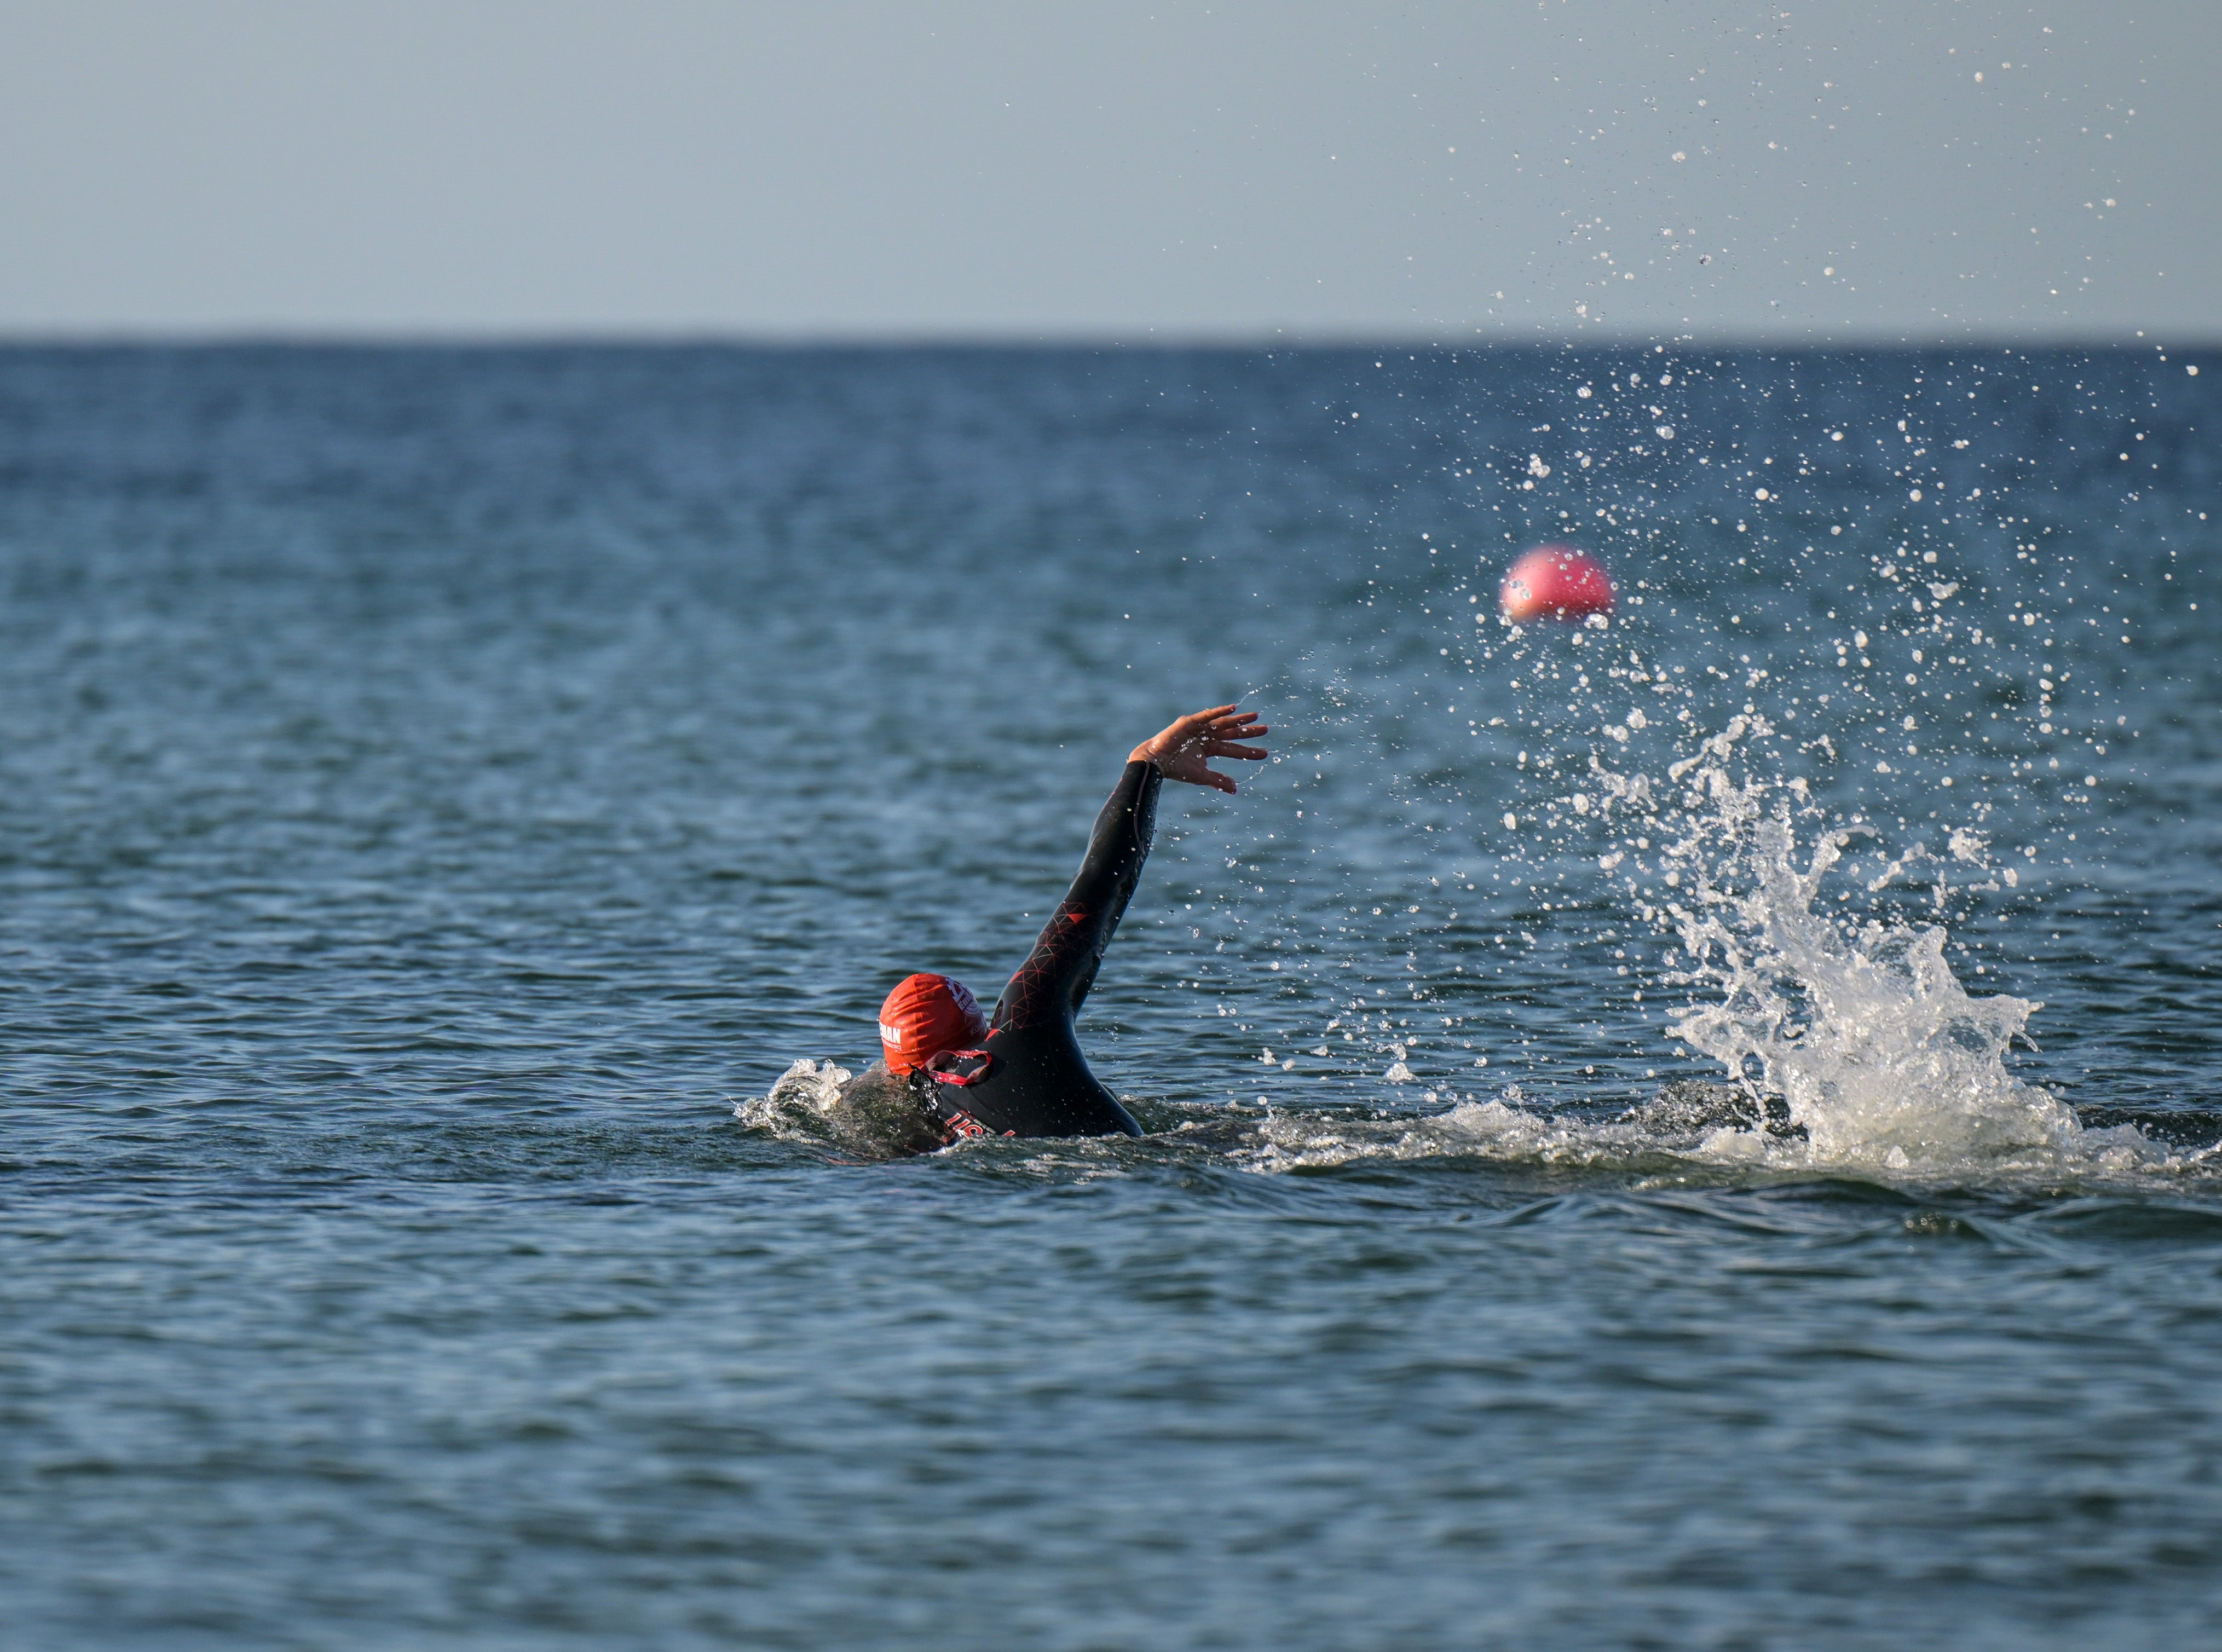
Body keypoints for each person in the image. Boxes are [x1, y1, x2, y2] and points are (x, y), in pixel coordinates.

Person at [830, 704, 1269, 1152]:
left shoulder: (913, 1112)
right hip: (1170, 1162)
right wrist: (1147, 764)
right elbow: (1098, 887)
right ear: (980, 1025)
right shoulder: (1022, 1024)